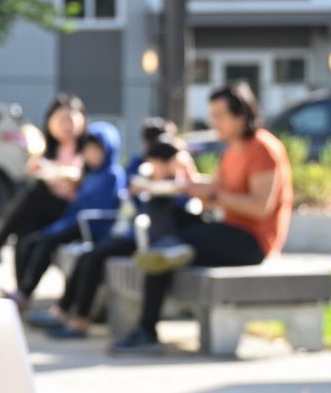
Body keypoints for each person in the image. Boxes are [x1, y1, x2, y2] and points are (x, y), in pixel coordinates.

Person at [110, 84, 291, 354]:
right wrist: (185, 179)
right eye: (211, 115)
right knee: (160, 206)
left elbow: (259, 207)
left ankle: (147, 329)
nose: (213, 122)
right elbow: (210, 197)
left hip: (253, 242)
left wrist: (213, 194)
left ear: (241, 114)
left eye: (219, 115)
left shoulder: (263, 148)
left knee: (163, 252)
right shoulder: (231, 150)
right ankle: (169, 245)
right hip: (227, 229)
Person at [53, 122, 197, 335]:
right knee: (89, 256)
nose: (152, 167)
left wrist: (185, 176)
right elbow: (130, 204)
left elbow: (191, 208)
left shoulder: (181, 183)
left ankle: (82, 319)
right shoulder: (145, 179)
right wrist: (138, 191)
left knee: (95, 257)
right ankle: (66, 311)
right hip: (136, 235)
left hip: (154, 241)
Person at [0, 95, 91, 267]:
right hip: (46, 210)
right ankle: (19, 282)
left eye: (70, 119)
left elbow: (78, 177)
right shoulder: (49, 148)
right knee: (24, 231)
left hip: (74, 211)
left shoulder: (90, 145)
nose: (66, 125)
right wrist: (40, 169)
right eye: (61, 120)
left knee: (32, 196)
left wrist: (53, 172)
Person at [11, 119, 123, 310]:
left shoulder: (112, 175)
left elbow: (100, 208)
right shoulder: (91, 175)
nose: (92, 154)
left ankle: (27, 294)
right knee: (30, 241)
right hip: (75, 222)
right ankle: (22, 291)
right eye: (88, 150)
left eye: (97, 150)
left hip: (92, 227)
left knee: (47, 243)